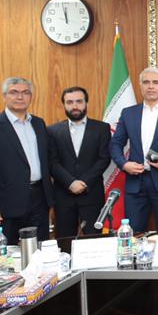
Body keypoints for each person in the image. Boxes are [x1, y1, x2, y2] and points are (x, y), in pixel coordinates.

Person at [109, 67, 158, 233]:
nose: (151, 86)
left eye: (155, 82)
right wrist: (124, 164)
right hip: (135, 182)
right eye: (146, 82)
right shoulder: (128, 113)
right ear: (140, 86)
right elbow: (115, 144)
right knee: (133, 234)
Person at [0, 77, 54, 242]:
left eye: (25, 92)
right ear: (4, 96)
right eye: (14, 92)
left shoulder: (39, 123)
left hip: (39, 200)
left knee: (40, 249)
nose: (20, 97)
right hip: (5, 204)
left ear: (31, 97)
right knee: (8, 252)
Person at [47, 86, 111, 238]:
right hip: (63, 196)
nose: (74, 106)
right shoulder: (52, 131)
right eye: (69, 102)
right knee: (64, 241)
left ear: (86, 103)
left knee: (94, 241)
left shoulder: (102, 128)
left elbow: (104, 158)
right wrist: (70, 182)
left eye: (79, 101)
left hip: (92, 195)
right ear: (64, 105)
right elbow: (52, 162)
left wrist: (84, 182)